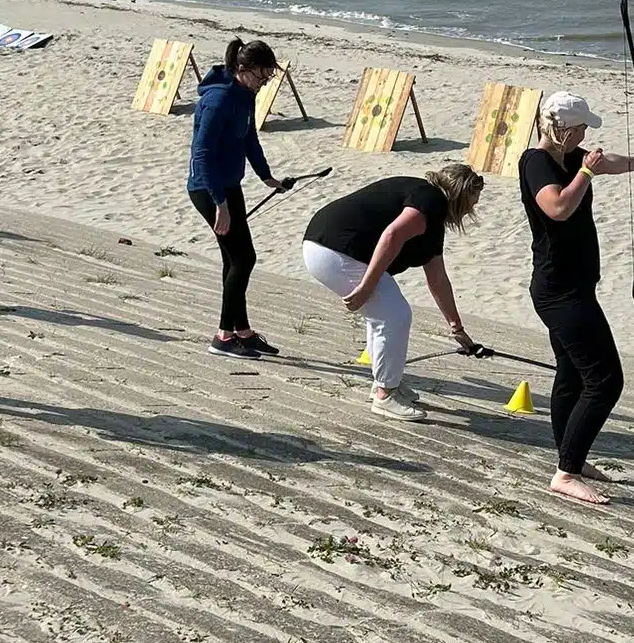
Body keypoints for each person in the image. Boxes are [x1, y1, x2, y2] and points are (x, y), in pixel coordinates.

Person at [518, 91, 634, 506]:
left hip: (575, 286)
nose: (583, 137)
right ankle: (566, 473)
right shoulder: (536, 162)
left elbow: (603, 160)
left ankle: (570, 458)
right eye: (579, 129)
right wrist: (586, 174)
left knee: (572, 375)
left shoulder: (571, 156)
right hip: (558, 291)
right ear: (561, 129)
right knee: (606, 380)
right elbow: (557, 207)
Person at [303, 165, 483, 420]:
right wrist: (366, 286)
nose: (474, 205)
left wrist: (457, 327)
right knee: (395, 315)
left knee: (383, 313)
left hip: (323, 245)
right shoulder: (432, 200)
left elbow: (438, 279)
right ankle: (385, 395)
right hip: (335, 250)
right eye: (474, 198)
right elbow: (392, 235)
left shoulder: (427, 206)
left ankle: (385, 385)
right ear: (460, 194)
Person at [186, 38, 292, 356]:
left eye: (268, 77)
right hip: (208, 189)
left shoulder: (246, 95)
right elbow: (202, 153)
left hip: (230, 186)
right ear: (243, 69)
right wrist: (220, 203)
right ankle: (223, 336)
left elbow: (249, 140)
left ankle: (242, 332)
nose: (263, 83)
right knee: (244, 258)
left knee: (234, 260)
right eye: (262, 76)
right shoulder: (218, 100)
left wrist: (267, 178)